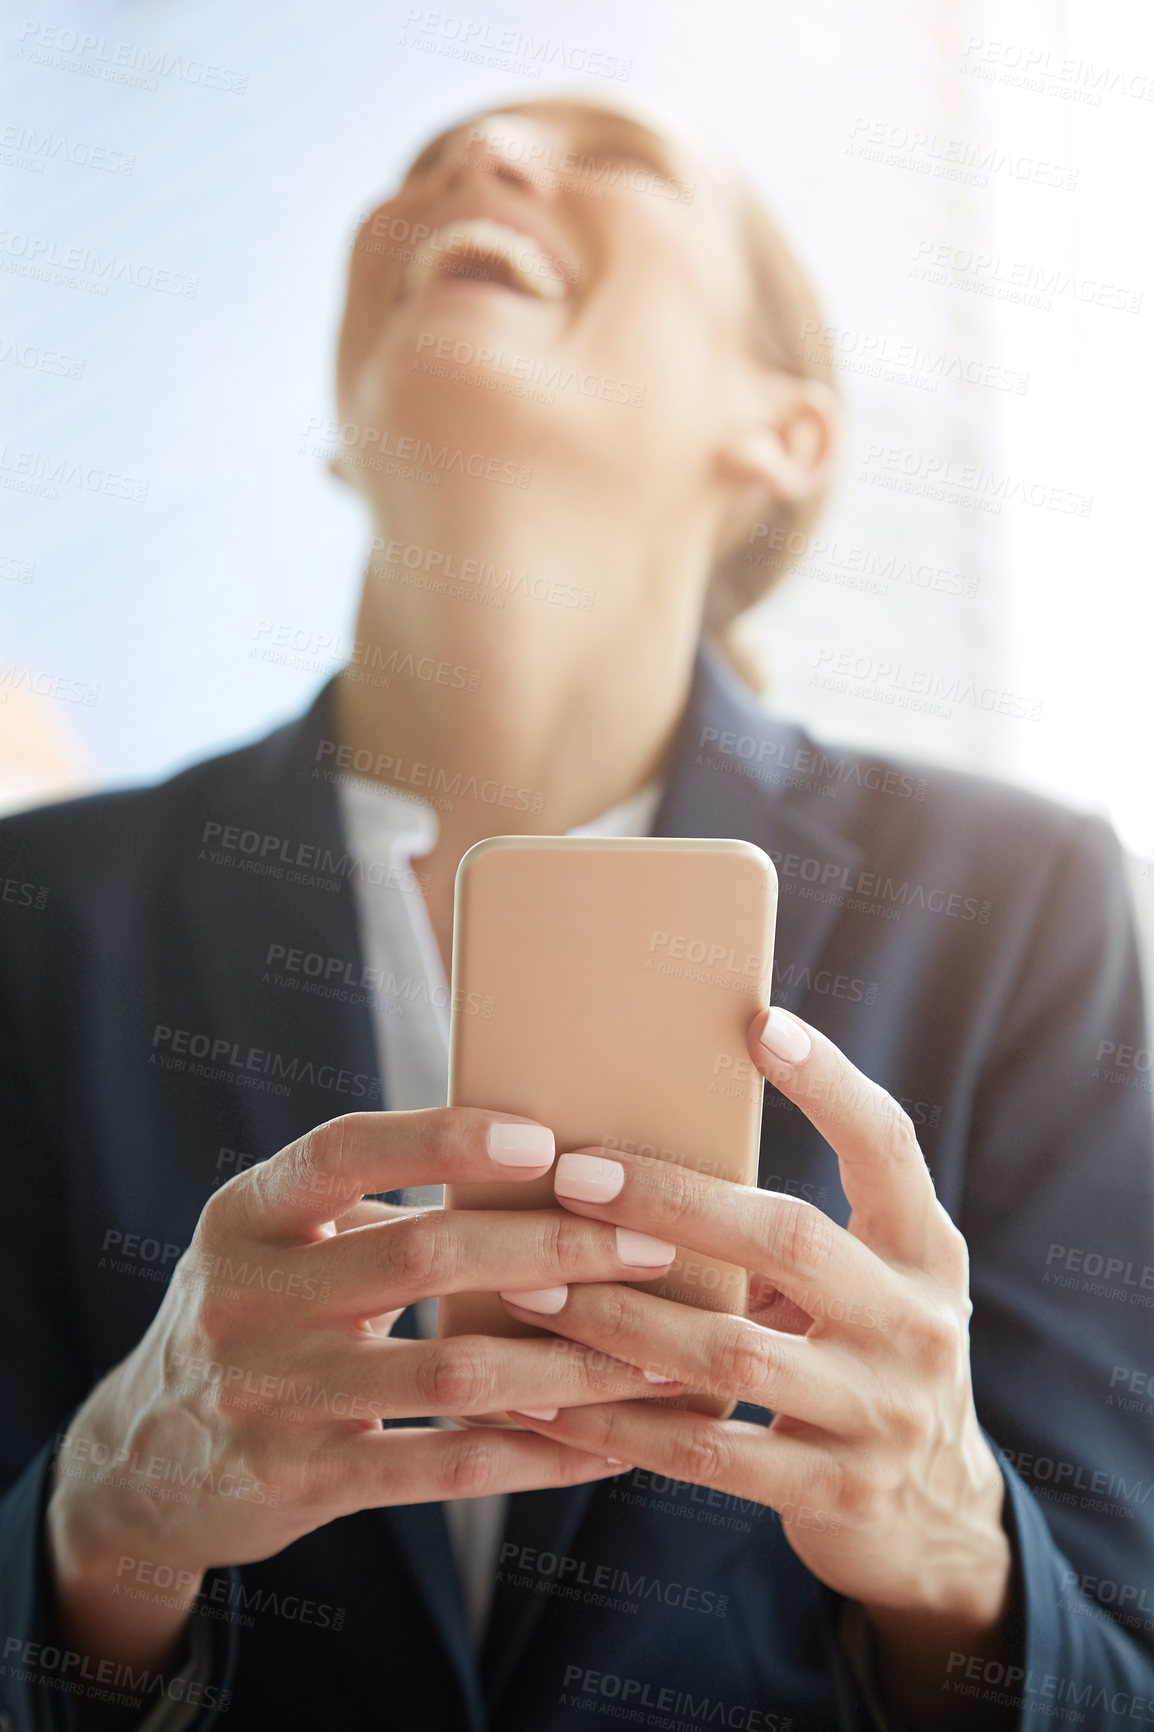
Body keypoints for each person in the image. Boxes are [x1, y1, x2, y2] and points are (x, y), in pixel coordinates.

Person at [1, 95, 1151, 1732]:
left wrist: (948, 1543)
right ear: (341, 417)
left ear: (783, 434)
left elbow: (1121, 1676)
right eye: (421, 164)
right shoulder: (38, 922)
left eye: (610, 157)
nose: (472, 167)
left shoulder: (1017, 907)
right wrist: (103, 1523)